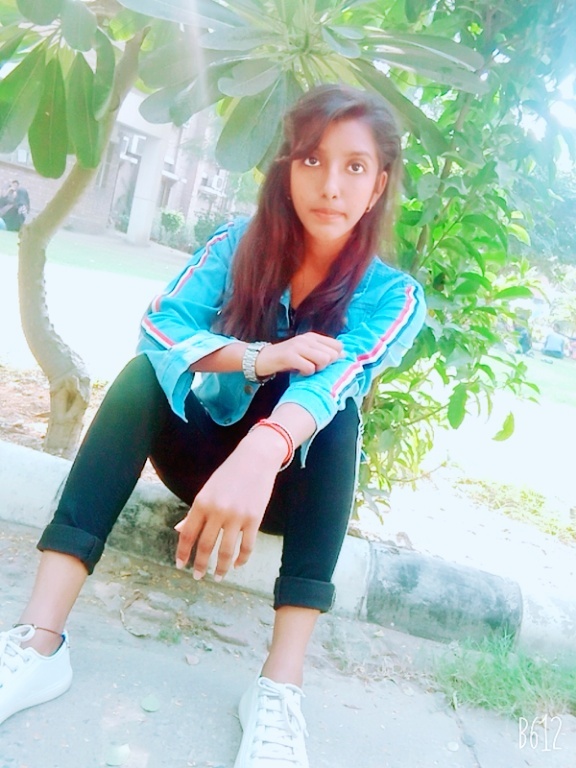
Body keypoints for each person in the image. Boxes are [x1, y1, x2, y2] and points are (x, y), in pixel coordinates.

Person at [0, 84, 426, 766]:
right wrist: (258, 357)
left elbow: (339, 376)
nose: (331, 185)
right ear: (286, 167)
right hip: (201, 462)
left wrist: (265, 447)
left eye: (354, 166)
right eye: (312, 160)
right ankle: (38, 641)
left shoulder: (393, 297)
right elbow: (160, 325)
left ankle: (278, 690)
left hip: (284, 490)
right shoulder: (237, 246)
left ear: (378, 185)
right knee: (143, 375)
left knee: (338, 415)